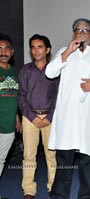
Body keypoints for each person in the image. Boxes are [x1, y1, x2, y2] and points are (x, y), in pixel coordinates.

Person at [45, 18, 90, 199]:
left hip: (89, 116)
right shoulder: (64, 51)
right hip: (68, 116)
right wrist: (67, 53)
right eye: (78, 30)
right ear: (73, 34)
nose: (82, 32)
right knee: (64, 160)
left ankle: (86, 195)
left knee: (87, 160)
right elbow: (49, 72)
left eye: (86, 30)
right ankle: (59, 196)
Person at [18, 34, 59, 199]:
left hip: (50, 119)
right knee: (28, 155)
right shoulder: (24, 71)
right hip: (29, 118)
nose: (36, 50)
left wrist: (49, 117)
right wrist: (31, 117)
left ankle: (53, 187)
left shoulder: (55, 71)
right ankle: (28, 190)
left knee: (52, 154)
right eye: (33, 47)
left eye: (40, 46)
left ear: (47, 49)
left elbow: (58, 96)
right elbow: (21, 96)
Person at [0, 33, 22, 199]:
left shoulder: (15, 72)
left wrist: (17, 119)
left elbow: (15, 97)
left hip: (8, 125)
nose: (3, 52)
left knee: (0, 160)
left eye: (6, 48)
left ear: (12, 52)